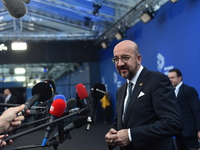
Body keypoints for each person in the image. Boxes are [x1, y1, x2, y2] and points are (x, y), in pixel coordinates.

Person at [105, 40, 182, 150]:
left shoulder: (157, 80)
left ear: (138, 59)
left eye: (125, 57)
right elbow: (121, 121)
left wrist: (131, 135)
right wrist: (113, 135)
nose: (120, 63)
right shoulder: (121, 90)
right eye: (116, 59)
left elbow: (173, 123)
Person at [168, 68, 200, 150]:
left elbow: (197, 110)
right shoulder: (170, 92)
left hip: (190, 132)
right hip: (178, 133)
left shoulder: (189, 90)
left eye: (172, 77)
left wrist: (199, 129)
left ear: (180, 78)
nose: (170, 80)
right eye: (169, 78)